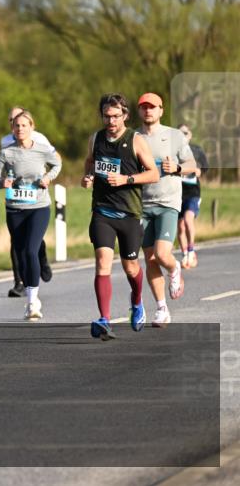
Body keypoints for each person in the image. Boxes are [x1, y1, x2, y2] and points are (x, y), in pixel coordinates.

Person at [81, 93, 158, 339]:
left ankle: (137, 301)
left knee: (131, 267)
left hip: (129, 214)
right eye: (106, 116)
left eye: (115, 116)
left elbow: (154, 174)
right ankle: (104, 319)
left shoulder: (135, 140)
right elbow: (90, 161)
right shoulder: (96, 138)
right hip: (102, 211)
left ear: (125, 115)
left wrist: (126, 179)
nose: (111, 121)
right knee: (103, 262)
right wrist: (88, 177)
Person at [0, 110, 62, 321]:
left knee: (31, 251)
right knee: (21, 254)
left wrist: (47, 178)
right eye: (16, 125)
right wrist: (2, 183)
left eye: (24, 125)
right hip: (15, 208)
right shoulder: (6, 153)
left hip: (39, 206)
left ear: (32, 127)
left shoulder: (42, 149)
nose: (20, 129)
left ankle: (32, 301)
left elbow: (57, 164)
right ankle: (31, 295)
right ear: (12, 128)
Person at [136, 93, 196, 327]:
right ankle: (161, 309)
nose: (148, 111)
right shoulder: (134, 137)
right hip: (141, 205)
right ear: (139, 111)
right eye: (144, 107)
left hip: (168, 203)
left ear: (161, 110)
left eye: (152, 107)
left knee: (162, 254)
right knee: (150, 259)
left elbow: (192, 165)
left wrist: (177, 167)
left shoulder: (174, 136)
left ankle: (174, 267)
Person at [0, 106, 56, 296]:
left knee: (33, 242)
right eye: (12, 121)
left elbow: (56, 159)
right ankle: (19, 282)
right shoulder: (5, 142)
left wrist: (46, 177)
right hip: (16, 198)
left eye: (19, 120)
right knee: (17, 243)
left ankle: (42, 259)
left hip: (37, 198)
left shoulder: (39, 139)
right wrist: (5, 182)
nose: (16, 125)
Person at [177, 123, 209, 269]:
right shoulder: (173, 150)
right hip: (177, 192)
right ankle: (185, 254)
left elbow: (205, 167)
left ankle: (191, 251)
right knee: (180, 227)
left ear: (190, 135)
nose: (183, 136)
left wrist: (199, 170)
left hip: (193, 192)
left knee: (188, 219)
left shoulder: (196, 150)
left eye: (185, 133)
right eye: (180, 133)